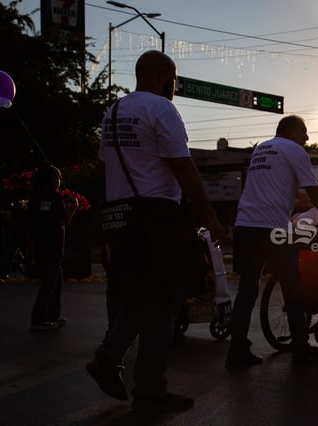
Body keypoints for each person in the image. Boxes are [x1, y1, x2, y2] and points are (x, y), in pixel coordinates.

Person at [87, 50, 223, 413]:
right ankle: (149, 387)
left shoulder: (113, 112)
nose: (174, 87)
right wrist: (208, 215)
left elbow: (109, 166)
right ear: (163, 75)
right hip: (156, 215)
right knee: (165, 300)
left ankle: (110, 357)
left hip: (120, 216)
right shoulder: (162, 109)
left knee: (143, 294)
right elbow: (182, 166)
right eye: (174, 79)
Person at [226, 115, 318, 368]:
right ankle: (300, 347)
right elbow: (314, 189)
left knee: (247, 289)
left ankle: (236, 350)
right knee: (293, 287)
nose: (307, 138)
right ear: (290, 130)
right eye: (304, 132)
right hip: (273, 228)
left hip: (245, 224)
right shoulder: (294, 149)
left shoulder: (260, 149)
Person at [27, 165, 78, 330]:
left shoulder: (35, 197)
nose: (59, 181)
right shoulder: (55, 198)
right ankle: (40, 317)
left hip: (41, 245)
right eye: (58, 178)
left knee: (56, 280)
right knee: (50, 283)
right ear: (51, 179)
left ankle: (52, 315)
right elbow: (63, 222)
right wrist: (74, 207)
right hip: (54, 246)